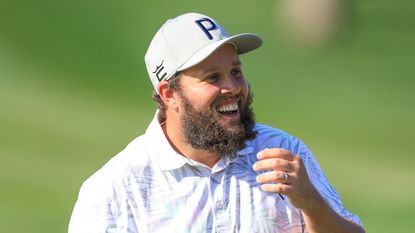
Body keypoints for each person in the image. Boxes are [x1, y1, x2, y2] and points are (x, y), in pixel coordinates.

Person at [68, 12, 365, 233]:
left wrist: (312, 203)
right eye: (213, 77)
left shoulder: (283, 152)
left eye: (236, 72)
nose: (233, 87)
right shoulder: (116, 190)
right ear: (170, 94)